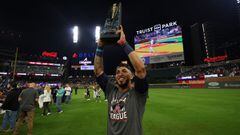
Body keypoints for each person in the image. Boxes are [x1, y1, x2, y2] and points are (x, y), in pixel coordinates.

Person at [94, 25, 148, 135]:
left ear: (132, 75)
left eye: (124, 71)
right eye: (118, 72)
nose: (120, 74)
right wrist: (100, 47)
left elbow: (141, 70)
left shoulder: (138, 92)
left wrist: (124, 43)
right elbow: (98, 71)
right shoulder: (110, 90)